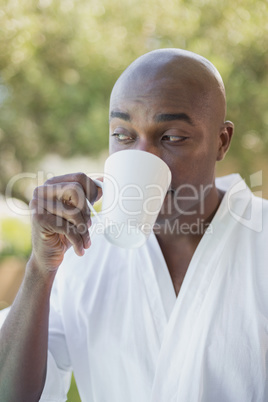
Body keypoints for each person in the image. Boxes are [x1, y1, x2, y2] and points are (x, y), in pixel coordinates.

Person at [0, 48, 267, 402]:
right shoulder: (80, 252)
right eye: (123, 136)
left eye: (171, 137)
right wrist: (40, 268)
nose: (141, 157)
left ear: (221, 141)